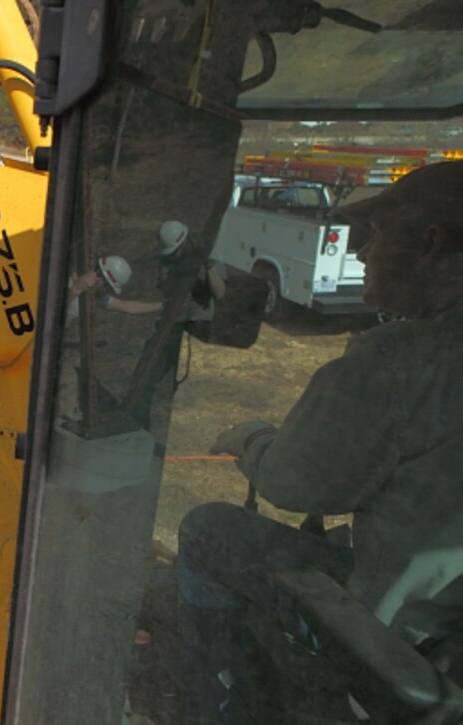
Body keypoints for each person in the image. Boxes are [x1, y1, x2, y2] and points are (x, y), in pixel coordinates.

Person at [176, 161, 463, 723]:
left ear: (430, 245)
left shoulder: (400, 360)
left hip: (410, 656)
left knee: (208, 530)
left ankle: (215, 709)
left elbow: (294, 481)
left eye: (377, 235)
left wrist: (252, 440)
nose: (360, 254)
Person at [130, 221, 226, 428]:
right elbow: (165, 290)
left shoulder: (209, 261)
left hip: (196, 330)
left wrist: (207, 266)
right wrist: (179, 274)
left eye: (176, 252)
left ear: (187, 244)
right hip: (170, 328)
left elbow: (220, 292)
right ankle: (139, 425)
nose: (172, 256)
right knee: (146, 374)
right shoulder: (167, 263)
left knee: (184, 389)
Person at [66, 254, 163, 320]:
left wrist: (160, 306)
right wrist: (75, 289)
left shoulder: (95, 294)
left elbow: (127, 306)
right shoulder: (71, 277)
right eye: (109, 289)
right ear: (102, 281)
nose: (108, 292)